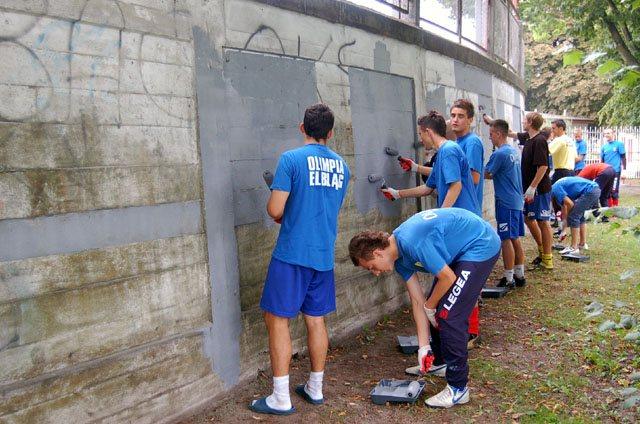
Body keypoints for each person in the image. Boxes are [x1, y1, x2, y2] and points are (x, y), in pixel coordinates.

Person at [250, 104, 350, 416]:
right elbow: (326, 206)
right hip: (323, 255)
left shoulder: (291, 159)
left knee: (277, 319)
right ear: (331, 133)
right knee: (315, 319)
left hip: (292, 253)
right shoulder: (342, 166)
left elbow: (275, 210)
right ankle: (315, 387)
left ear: (301, 127)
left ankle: (280, 397)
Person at [348, 208, 500, 408]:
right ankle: (439, 361)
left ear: (377, 253)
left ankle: (458, 388)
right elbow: (418, 302)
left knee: (448, 314)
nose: (375, 273)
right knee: (438, 309)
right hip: (460, 252)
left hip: (481, 244)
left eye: (371, 267)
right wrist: (423, 347)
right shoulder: (399, 259)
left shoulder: (412, 242)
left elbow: (447, 278)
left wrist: (431, 305)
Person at [384, 111, 482, 348]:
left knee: (460, 278)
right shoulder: (444, 153)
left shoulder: (447, 151)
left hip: (458, 226)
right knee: (456, 277)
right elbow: (428, 189)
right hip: (454, 225)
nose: (421, 139)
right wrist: (398, 194)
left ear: (428, 131)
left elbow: (456, 187)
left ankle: (469, 332)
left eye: (421, 134)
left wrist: (438, 218)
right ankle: (461, 331)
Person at [483, 112, 554, 270]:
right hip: (526, 190)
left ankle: (547, 257)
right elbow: (507, 132)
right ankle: (542, 250)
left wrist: (533, 187)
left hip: (539, 189)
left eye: (524, 119)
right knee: (528, 219)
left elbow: (543, 166)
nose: (522, 121)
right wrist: (491, 122)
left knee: (542, 220)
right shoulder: (528, 137)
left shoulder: (540, 140)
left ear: (529, 122)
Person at [485, 119, 526, 289]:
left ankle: (509, 278)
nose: (490, 139)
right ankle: (520, 275)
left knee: (505, 239)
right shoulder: (513, 151)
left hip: (506, 201)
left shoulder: (499, 153)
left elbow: (487, 173)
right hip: (516, 200)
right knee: (514, 237)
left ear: (499, 134)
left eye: (491, 135)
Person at [450, 99, 485, 210]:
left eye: (460, 116)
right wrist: (416, 168)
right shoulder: (457, 143)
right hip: (458, 208)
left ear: (470, 120)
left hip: (467, 209)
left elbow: (474, 178)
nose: (455, 120)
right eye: (453, 115)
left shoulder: (472, 142)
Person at [551, 176, 600, 255]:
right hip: (594, 189)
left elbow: (570, 204)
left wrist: (570, 218)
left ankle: (573, 248)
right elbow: (565, 208)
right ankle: (582, 244)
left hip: (590, 191)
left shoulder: (555, 190)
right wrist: (563, 230)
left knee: (574, 216)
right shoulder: (557, 187)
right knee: (580, 216)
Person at [600, 128, 626, 206]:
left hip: (615, 171)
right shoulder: (604, 147)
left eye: (608, 133)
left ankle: (615, 210)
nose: (607, 135)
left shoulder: (619, 144)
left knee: (614, 191)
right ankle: (609, 211)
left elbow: (623, 157)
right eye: (605, 133)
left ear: (613, 134)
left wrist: (624, 170)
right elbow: (602, 161)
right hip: (606, 172)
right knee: (607, 191)